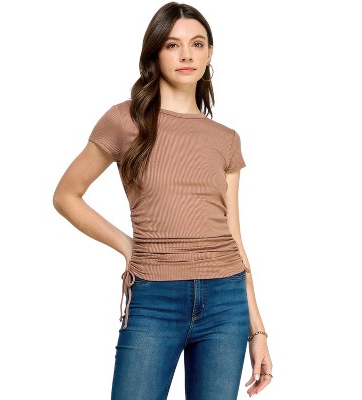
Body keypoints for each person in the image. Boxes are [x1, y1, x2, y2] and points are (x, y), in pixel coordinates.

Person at [53, 2, 273, 399]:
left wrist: (257, 331)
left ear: (209, 54)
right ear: (155, 53)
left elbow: (235, 237)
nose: (186, 54)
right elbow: (67, 195)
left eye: (197, 44)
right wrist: (127, 246)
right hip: (154, 297)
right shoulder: (124, 121)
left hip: (226, 304)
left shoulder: (226, 139)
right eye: (173, 45)